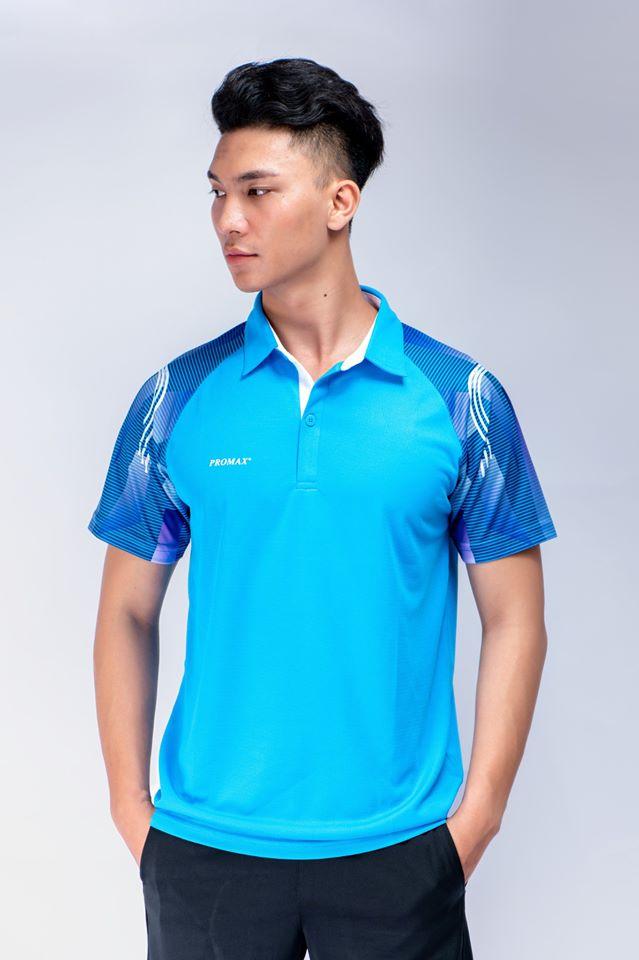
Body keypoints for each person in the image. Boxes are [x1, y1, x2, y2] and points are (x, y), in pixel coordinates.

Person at [88, 57, 557, 960]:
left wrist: (476, 821)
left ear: (341, 201)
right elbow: (125, 611)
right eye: (218, 192)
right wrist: (130, 811)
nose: (229, 219)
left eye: (257, 191)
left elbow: (515, 618)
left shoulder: (459, 398)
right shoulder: (176, 398)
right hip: (204, 849)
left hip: (399, 850)